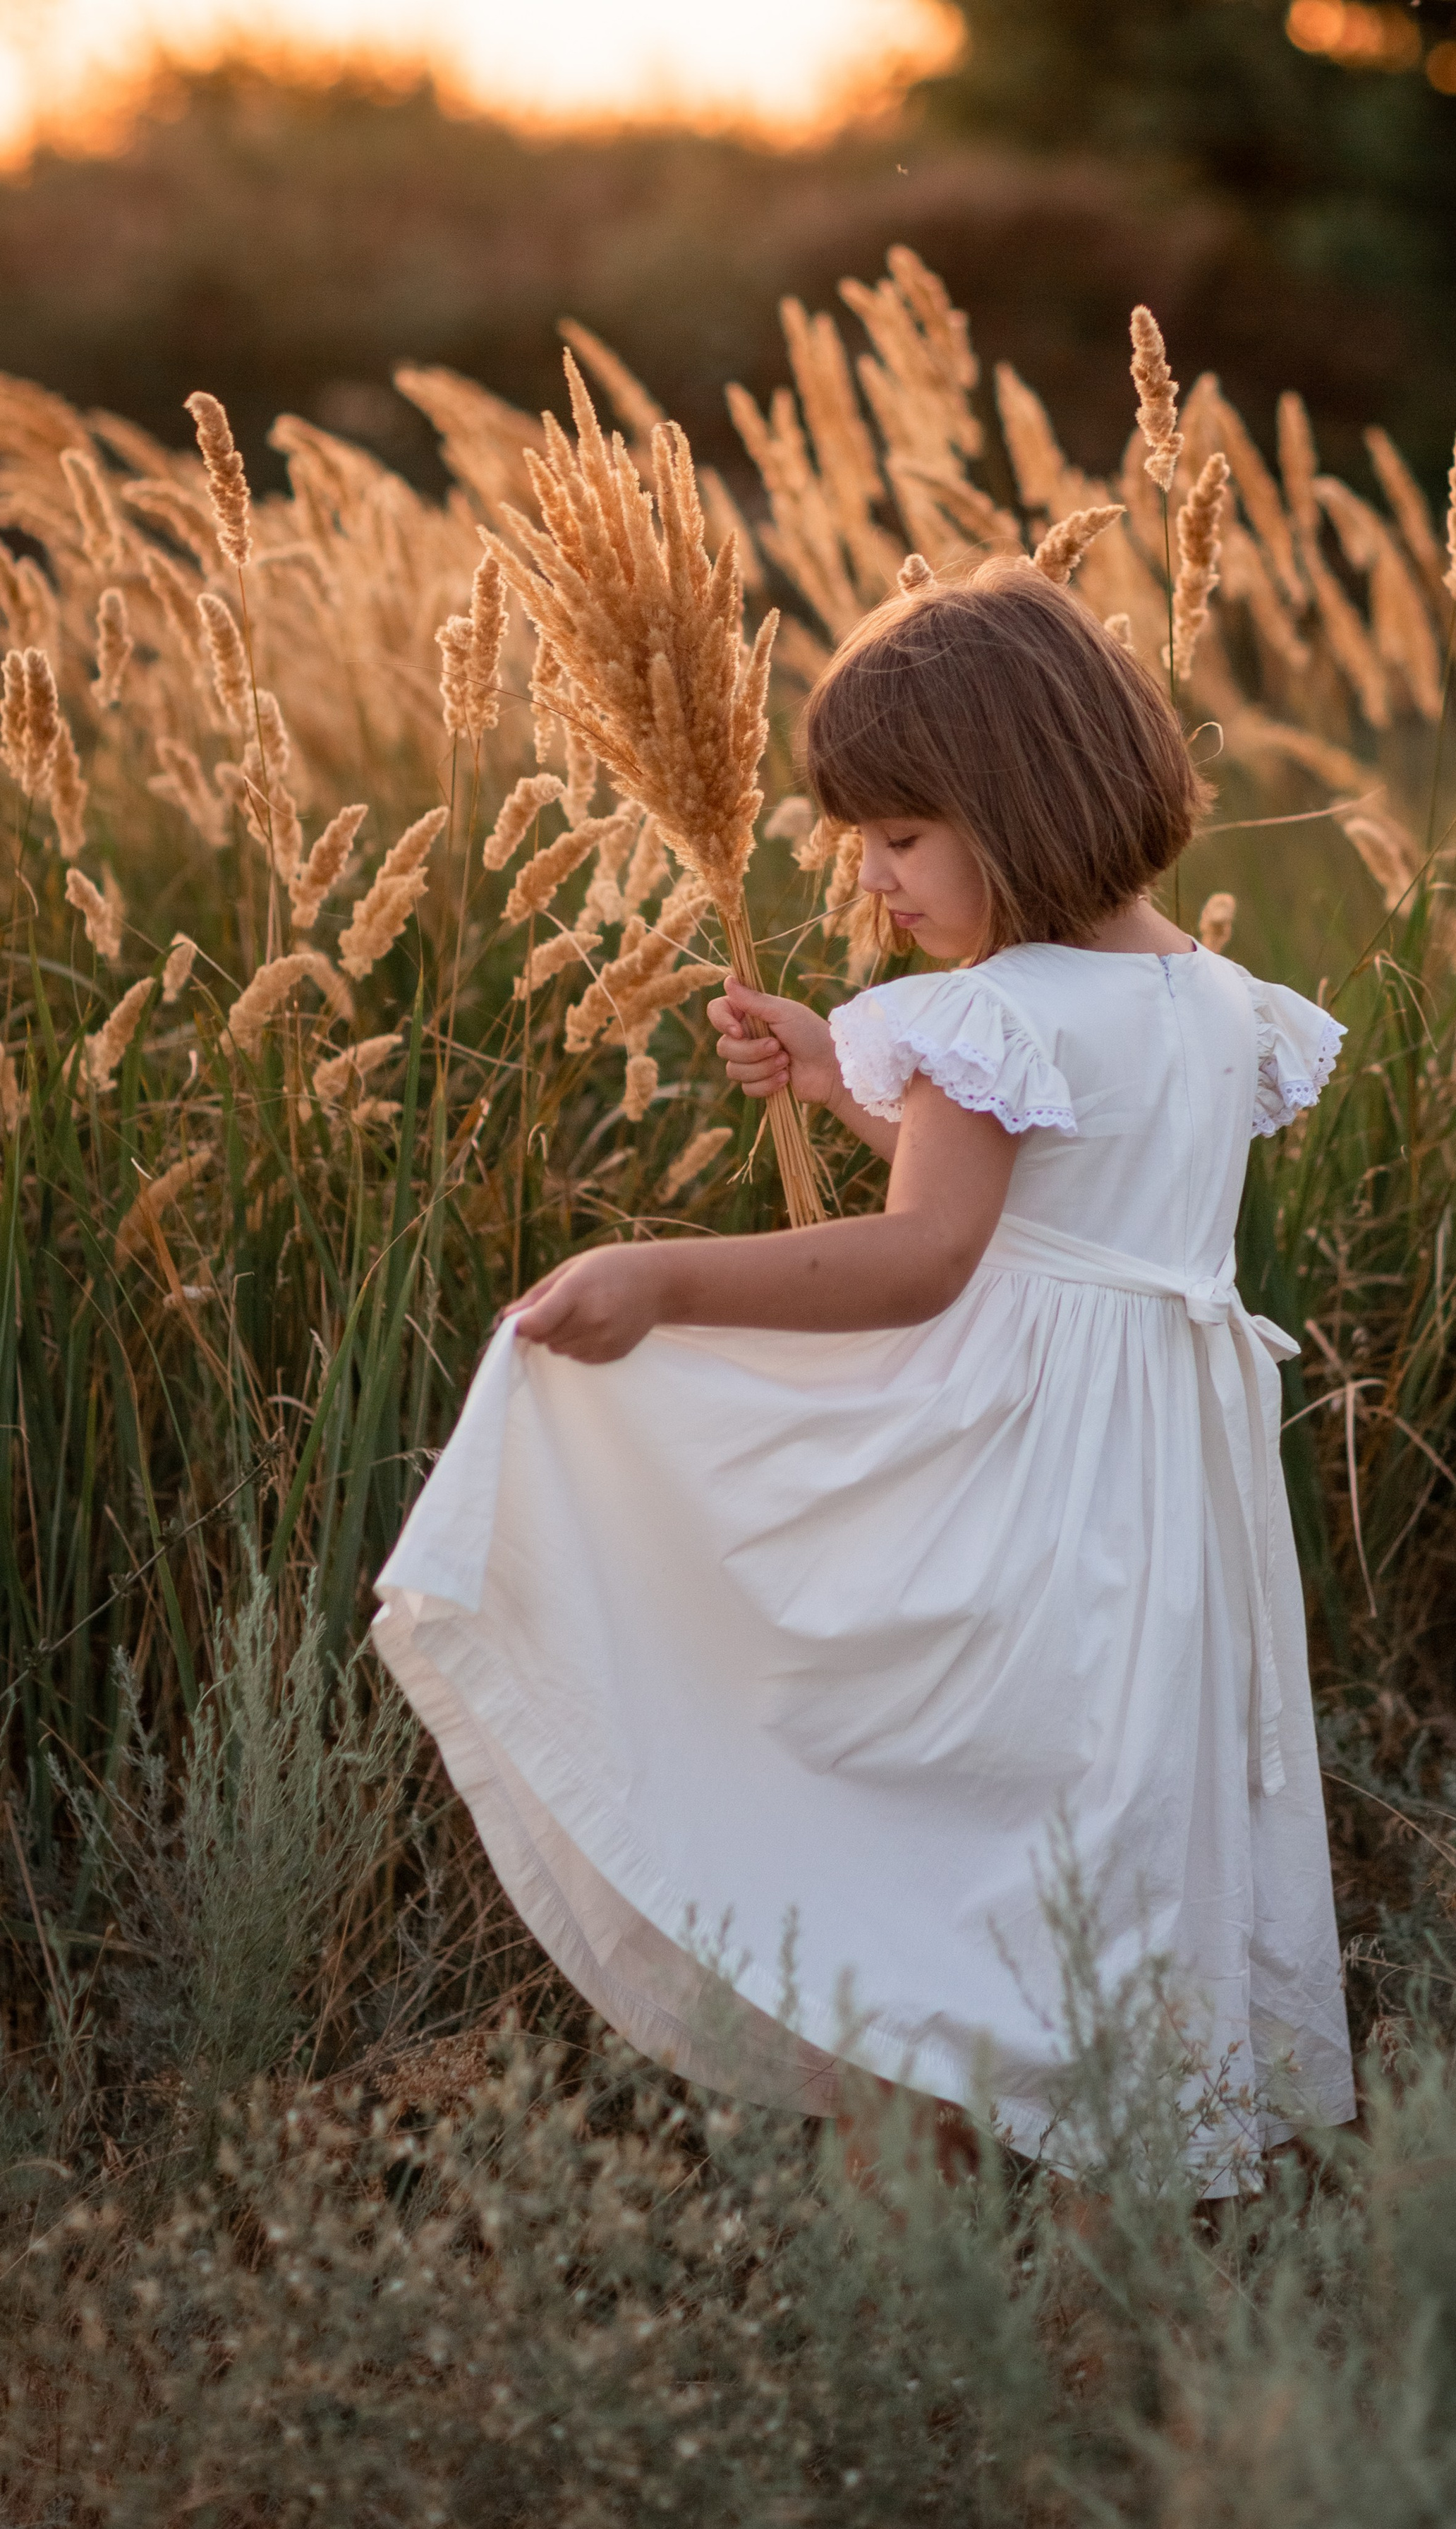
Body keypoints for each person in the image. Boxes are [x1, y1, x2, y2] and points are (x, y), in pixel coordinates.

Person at [372, 560, 1355, 2190]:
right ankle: (1119, 2252)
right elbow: (1066, 1201)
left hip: (1007, 1491)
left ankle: (921, 2265)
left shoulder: (996, 1008)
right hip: (1159, 1517)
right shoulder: (1211, 999)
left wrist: (660, 1278)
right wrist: (847, 1075)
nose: (871, 876)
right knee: (1105, 1853)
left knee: (902, 1838)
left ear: (1022, 800)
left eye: (901, 836)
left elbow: (925, 1259)